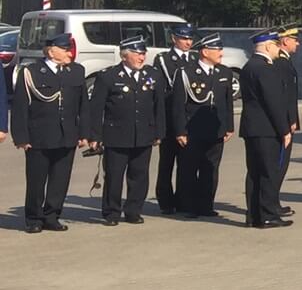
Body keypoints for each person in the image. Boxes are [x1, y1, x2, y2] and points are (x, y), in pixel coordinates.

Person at [81, 36, 166, 226]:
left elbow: (159, 106)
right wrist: (95, 136)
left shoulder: (152, 75)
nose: (142, 57)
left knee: (139, 175)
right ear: (124, 55)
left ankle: (133, 211)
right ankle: (111, 212)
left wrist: (159, 132)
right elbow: (96, 109)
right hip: (116, 135)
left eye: (143, 53)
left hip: (144, 134)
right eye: (137, 54)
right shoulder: (108, 76)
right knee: (114, 176)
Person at [14, 32, 89, 233]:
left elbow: (83, 106)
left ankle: (52, 216)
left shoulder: (76, 71)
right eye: (65, 50)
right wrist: (21, 137)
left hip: (67, 135)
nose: (69, 53)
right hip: (39, 136)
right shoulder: (31, 72)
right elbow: (21, 107)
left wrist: (84, 133)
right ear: (51, 51)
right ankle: (34, 218)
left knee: (60, 180)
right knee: (36, 181)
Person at [169, 34, 234, 220]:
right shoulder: (186, 72)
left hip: (215, 130)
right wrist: (180, 131)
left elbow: (227, 103)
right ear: (205, 52)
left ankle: (206, 205)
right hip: (192, 130)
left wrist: (229, 126)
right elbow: (178, 105)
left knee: (211, 169)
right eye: (217, 49)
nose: (221, 53)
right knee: (189, 169)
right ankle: (188, 206)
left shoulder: (224, 72)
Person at [239, 30, 294, 229]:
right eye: (276, 45)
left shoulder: (249, 66)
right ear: (269, 46)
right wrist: (284, 130)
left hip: (252, 128)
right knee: (269, 172)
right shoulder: (265, 69)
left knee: (254, 172)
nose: (278, 49)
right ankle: (268, 215)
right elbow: (273, 103)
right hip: (267, 129)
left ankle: (253, 215)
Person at [151, 23, 196, 214]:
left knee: (187, 163)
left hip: (189, 118)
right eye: (184, 38)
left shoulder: (194, 58)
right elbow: (161, 90)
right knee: (167, 162)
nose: (188, 42)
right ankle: (166, 201)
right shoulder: (163, 60)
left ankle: (184, 199)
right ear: (174, 39)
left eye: (190, 38)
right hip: (170, 117)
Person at [274, 26, 302, 212]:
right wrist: (290, 120)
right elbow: (285, 97)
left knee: (281, 164)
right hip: (283, 122)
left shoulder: (285, 61)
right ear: (285, 41)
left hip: (286, 120)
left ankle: (272, 202)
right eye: (295, 40)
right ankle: (271, 204)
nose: (298, 44)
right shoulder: (281, 63)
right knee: (278, 164)